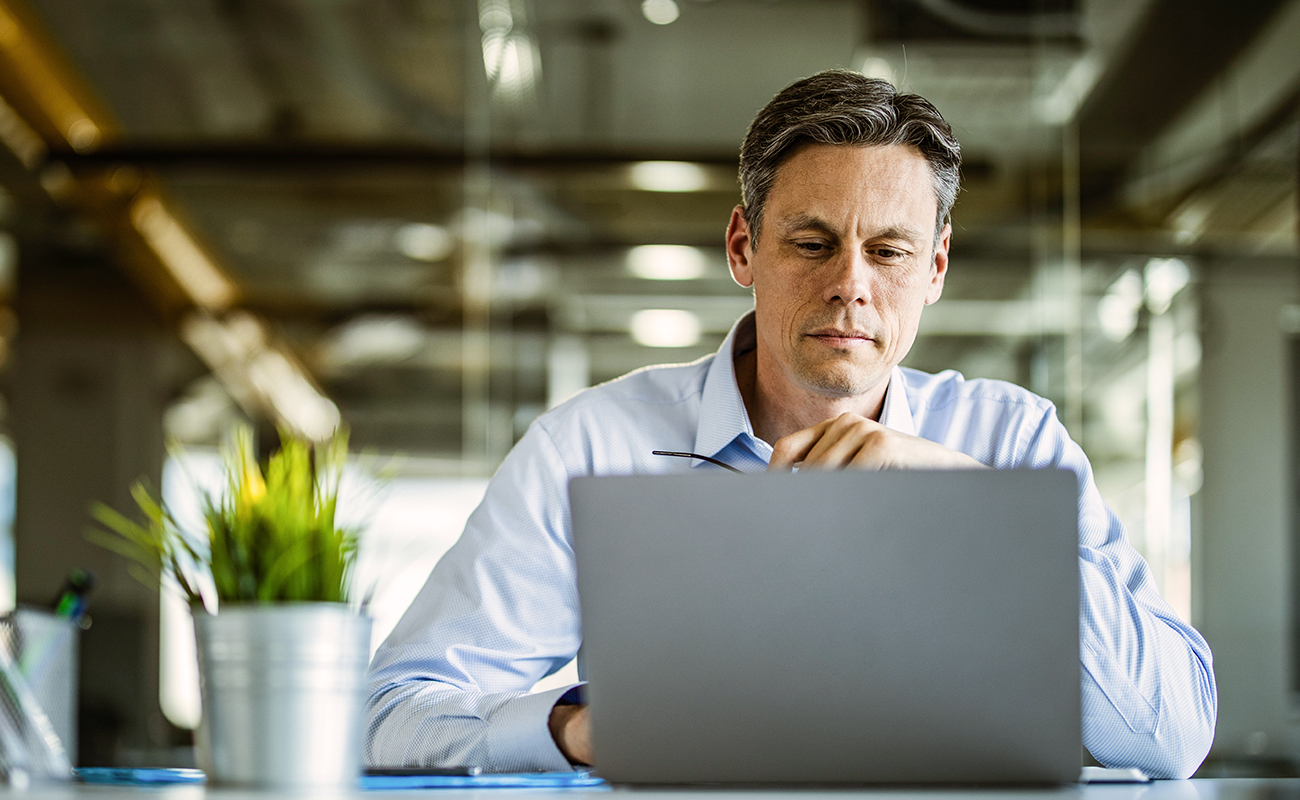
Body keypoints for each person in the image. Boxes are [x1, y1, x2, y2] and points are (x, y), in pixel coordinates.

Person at [364, 70, 1217, 779]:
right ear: (743, 246)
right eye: (812, 244)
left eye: (889, 252)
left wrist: (965, 499)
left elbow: (1172, 733)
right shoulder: (589, 447)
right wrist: (573, 732)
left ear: (936, 268)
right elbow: (392, 713)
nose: (852, 284)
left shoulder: (1011, 443)